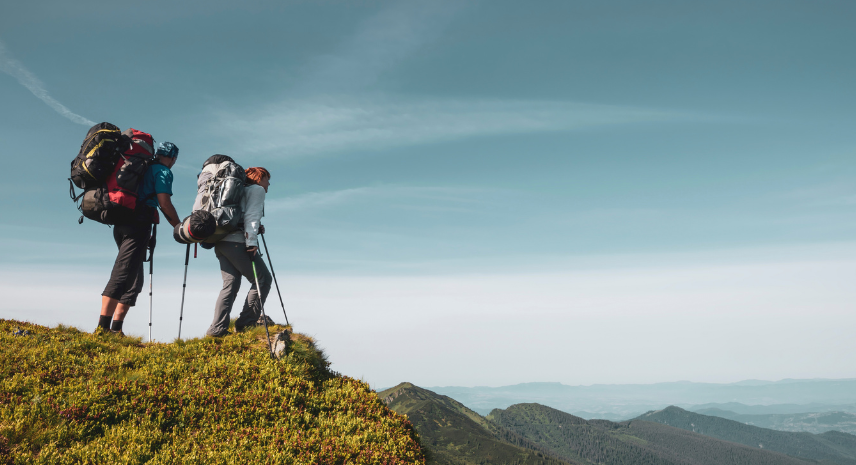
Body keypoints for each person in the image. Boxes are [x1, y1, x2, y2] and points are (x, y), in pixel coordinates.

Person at [96, 142, 182, 335]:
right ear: (173, 158)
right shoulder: (162, 171)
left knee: (134, 278)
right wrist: (179, 227)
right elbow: (164, 203)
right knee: (123, 273)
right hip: (138, 223)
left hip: (121, 223)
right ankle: (102, 329)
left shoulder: (140, 167)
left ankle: (116, 330)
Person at [206, 167, 273, 337]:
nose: (268, 184)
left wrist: (255, 229)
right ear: (258, 178)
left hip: (221, 242)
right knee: (262, 279)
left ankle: (217, 329)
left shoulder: (235, 191)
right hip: (238, 243)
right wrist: (251, 242)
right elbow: (252, 215)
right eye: (266, 179)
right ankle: (246, 324)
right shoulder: (256, 190)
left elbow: (241, 216)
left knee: (231, 284)